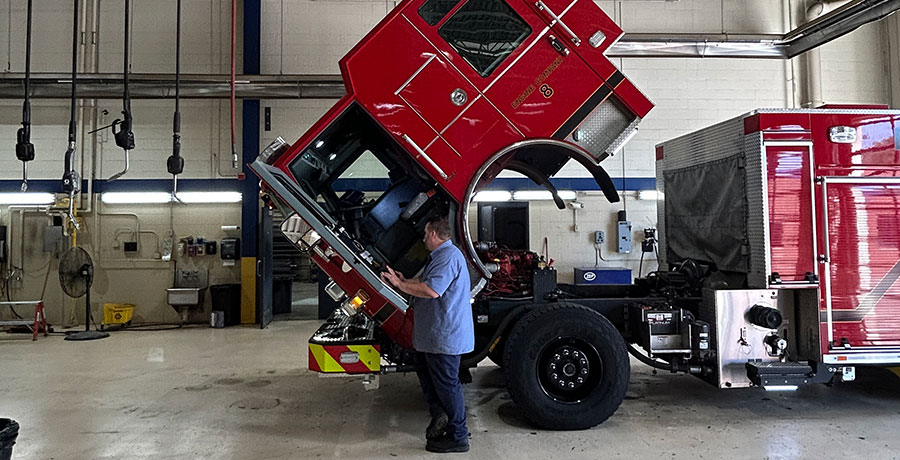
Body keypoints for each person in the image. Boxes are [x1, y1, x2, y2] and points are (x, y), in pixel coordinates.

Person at [381, 215, 473, 453]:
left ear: (433, 234)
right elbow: (425, 281)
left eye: (424, 234)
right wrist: (402, 280)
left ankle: (459, 436)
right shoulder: (441, 257)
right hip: (432, 337)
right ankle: (440, 416)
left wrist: (401, 286)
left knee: (447, 385)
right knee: (430, 378)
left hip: (444, 337)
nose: (422, 238)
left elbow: (431, 290)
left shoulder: (448, 257)